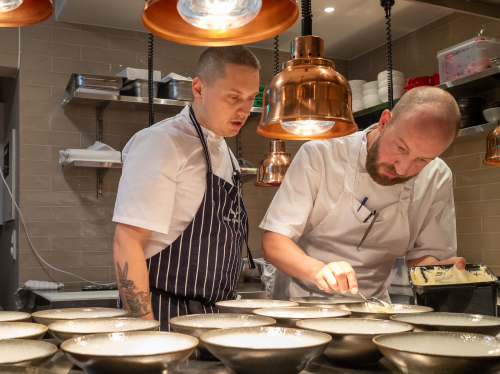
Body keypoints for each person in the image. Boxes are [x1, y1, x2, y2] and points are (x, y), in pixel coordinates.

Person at [260, 86, 465, 302]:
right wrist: (319, 271)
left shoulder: (437, 176)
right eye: (400, 148)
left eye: (422, 160)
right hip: (299, 300)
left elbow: (422, 259)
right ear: (384, 122)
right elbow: (273, 243)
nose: (403, 168)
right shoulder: (320, 155)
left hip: (372, 308)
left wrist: (440, 270)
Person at [112, 46, 261, 330]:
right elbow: (127, 241)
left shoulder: (226, 152)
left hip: (216, 317)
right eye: (233, 97)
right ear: (199, 88)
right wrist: (144, 330)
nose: (244, 109)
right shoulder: (161, 142)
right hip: (167, 315)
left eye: (251, 98)